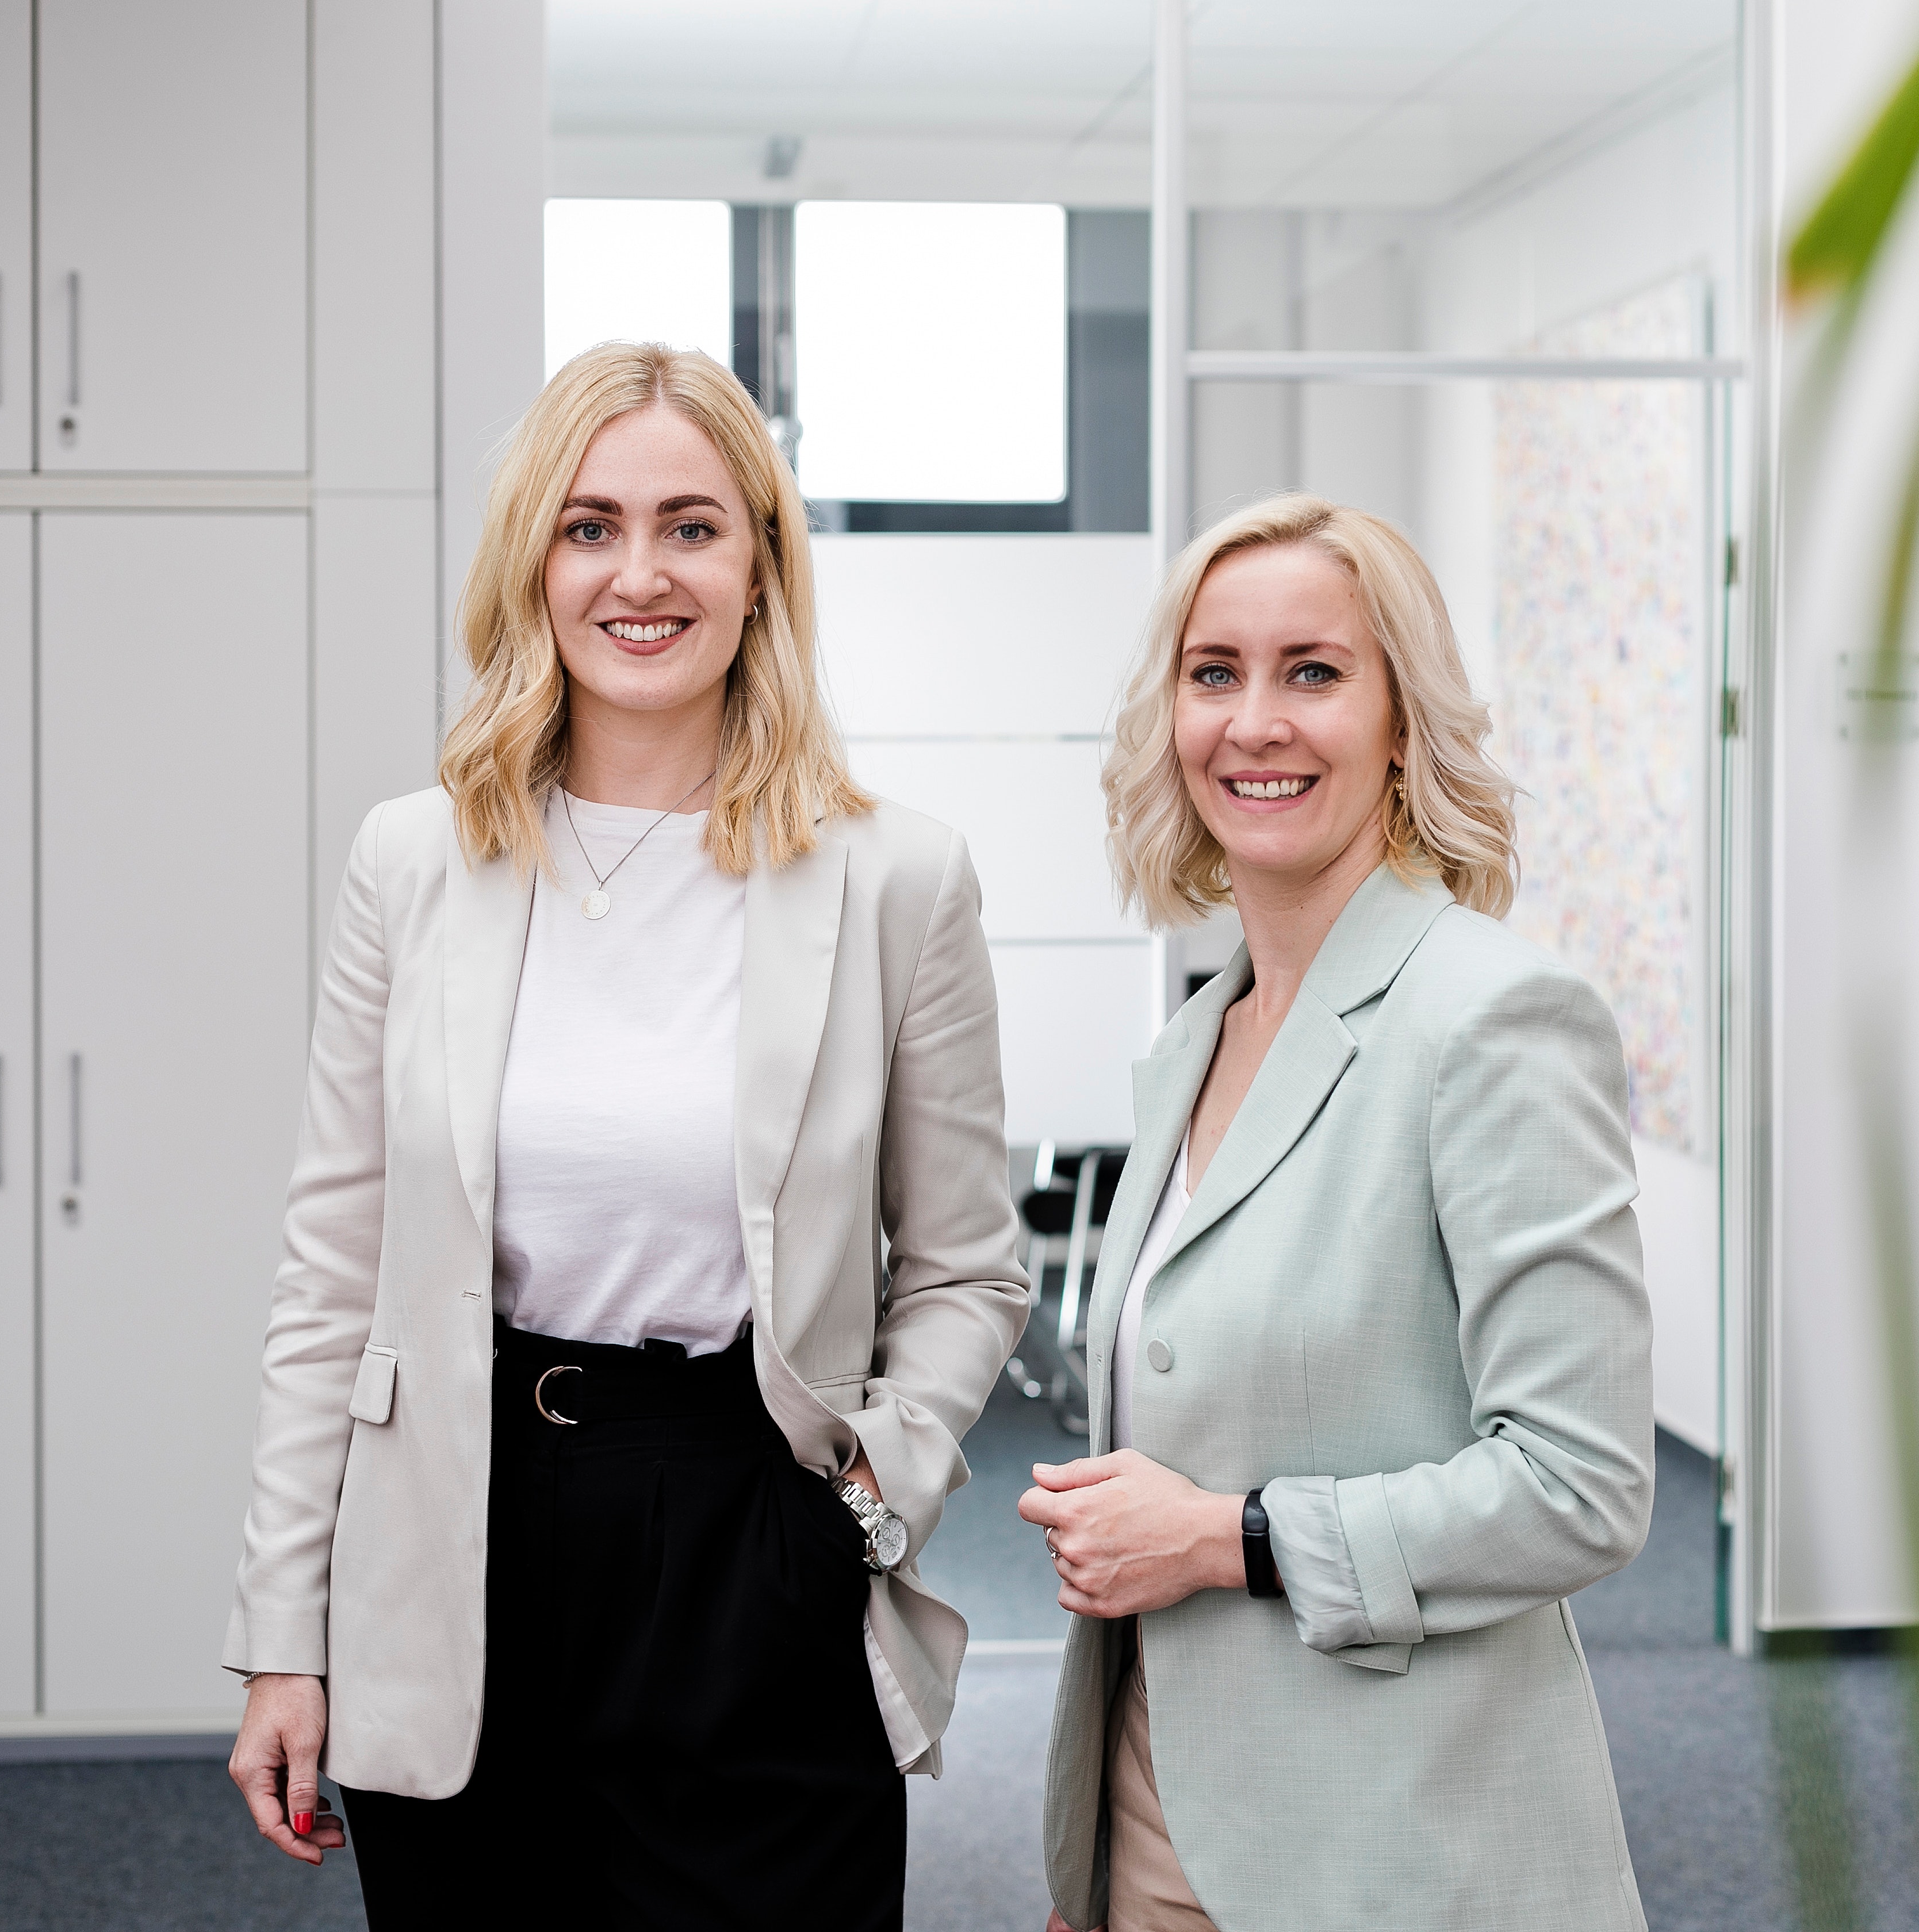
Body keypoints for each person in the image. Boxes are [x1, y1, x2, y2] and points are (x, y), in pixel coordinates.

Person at [220, 341, 1028, 1929]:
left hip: (748, 1527)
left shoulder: (897, 879)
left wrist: (862, 1501)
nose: (638, 574)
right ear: (534, 560)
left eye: (691, 526)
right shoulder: (417, 862)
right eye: (590, 526)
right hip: (459, 1532)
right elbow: (333, 1278)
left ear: (760, 565)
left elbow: (967, 1271)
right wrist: (282, 1632)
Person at [1021, 494, 1656, 1932]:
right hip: (1159, 1816)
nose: (1256, 721)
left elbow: (1583, 1483)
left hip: (1395, 1844)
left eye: (1314, 671)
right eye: (1213, 673)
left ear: (1401, 724)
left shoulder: (1496, 1019)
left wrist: (1225, 1539)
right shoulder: (1199, 1037)